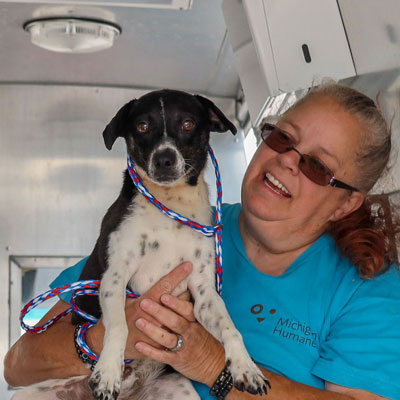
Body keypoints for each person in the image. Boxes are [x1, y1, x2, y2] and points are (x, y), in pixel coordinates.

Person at [4, 82, 400, 400]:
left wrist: (212, 365)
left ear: (346, 202)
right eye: (282, 139)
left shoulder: (367, 289)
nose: (288, 161)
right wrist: (104, 339)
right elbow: (17, 364)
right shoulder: (159, 222)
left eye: (316, 165)